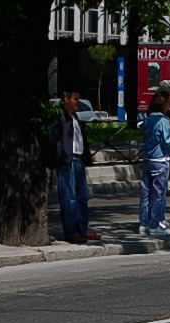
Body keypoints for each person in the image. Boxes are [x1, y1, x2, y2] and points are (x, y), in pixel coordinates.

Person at [48, 89, 98, 243]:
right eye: (76, 99)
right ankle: (71, 232)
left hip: (79, 159)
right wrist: (60, 156)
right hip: (67, 160)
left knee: (82, 197)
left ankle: (83, 229)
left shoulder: (75, 117)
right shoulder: (60, 117)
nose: (78, 103)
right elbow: (53, 139)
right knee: (69, 198)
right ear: (66, 99)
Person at [139, 89, 170, 235]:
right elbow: (168, 141)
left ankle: (143, 223)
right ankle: (154, 225)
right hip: (160, 159)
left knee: (146, 193)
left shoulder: (148, 119)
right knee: (158, 194)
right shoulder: (163, 120)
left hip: (148, 158)